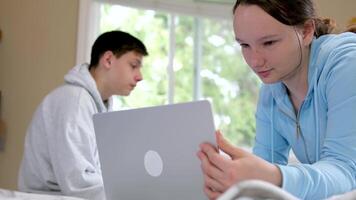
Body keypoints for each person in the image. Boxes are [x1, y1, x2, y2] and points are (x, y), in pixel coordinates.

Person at [197, 0, 356, 199]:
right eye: (245, 45)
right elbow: (264, 175)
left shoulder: (348, 63)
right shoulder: (271, 90)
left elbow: (348, 175)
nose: (255, 61)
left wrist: (271, 176)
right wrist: (234, 182)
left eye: (269, 42)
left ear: (306, 31)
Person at [18, 31, 148, 200]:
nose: (140, 77)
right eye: (133, 65)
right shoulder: (75, 102)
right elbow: (79, 183)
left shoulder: (97, 106)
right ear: (108, 59)